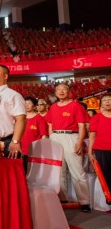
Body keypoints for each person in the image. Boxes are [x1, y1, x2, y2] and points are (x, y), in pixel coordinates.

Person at [45, 83, 91, 212]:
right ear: (55, 93)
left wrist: (79, 142)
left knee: (77, 171)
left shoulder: (76, 106)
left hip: (71, 137)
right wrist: (51, 139)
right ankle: (62, 198)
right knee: (59, 172)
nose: (61, 91)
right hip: (56, 137)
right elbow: (50, 124)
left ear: (69, 91)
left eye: (64, 89)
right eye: (58, 90)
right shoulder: (53, 107)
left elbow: (82, 125)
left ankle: (84, 201)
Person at [88, 94, 111, 206]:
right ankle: (109, 200)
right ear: (101, 104)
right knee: (106, 176)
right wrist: (89, 152)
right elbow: (92, 136)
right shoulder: (96, 118)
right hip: (101, 150)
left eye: (110, 100)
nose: (108, 102)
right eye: (105, 100)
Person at [21, 96, 48, 172]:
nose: (26, 105)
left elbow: (44, 135)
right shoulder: (20, 118)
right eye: (25, 103)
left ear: (34, 106)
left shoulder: (39, 118)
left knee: (34, 172)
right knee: (23, 172)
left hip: (35, 151)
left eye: (29, 103)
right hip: (21, 150)